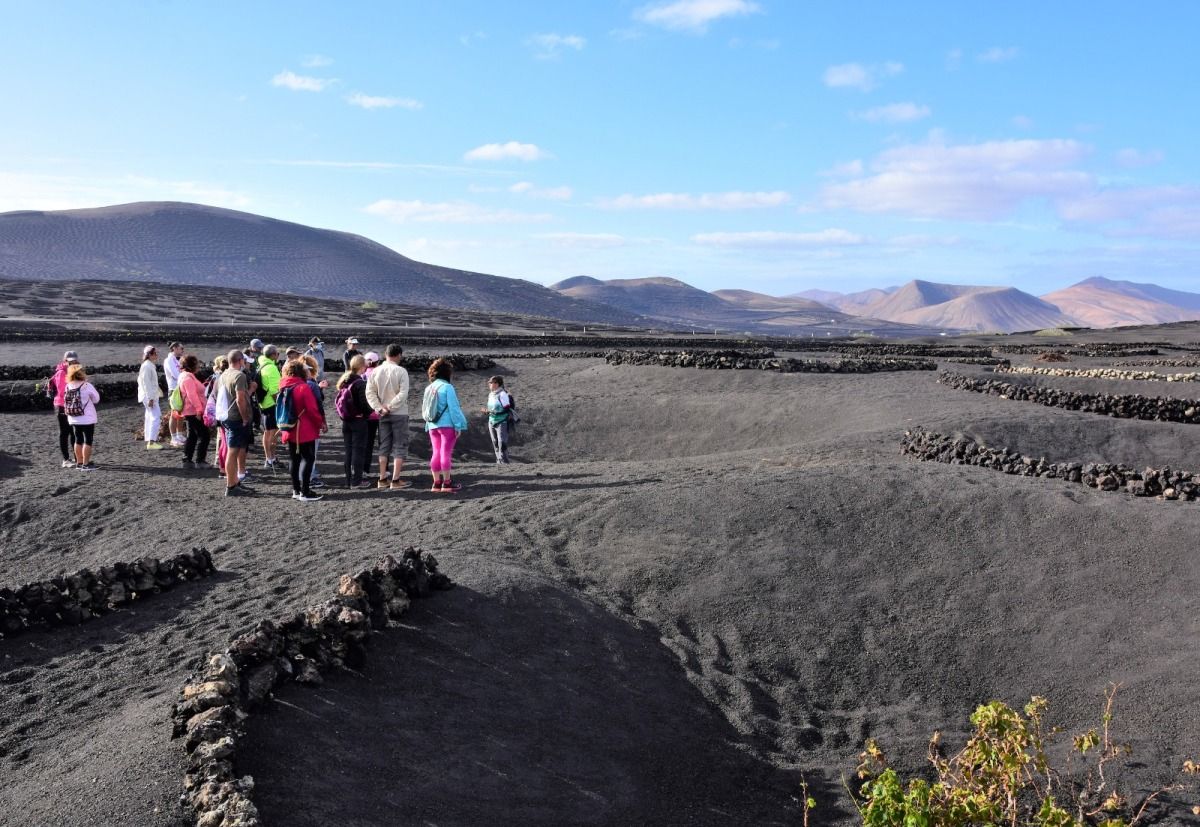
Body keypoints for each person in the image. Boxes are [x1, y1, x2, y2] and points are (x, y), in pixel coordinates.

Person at [365, 343, 411, 490]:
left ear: (385, 355)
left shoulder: (375, 371)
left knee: (384, 446)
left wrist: (379, 408)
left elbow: (369, 393)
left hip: (382, 414)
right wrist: (390, 407)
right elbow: (403, 394)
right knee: (399, 446)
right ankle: (395, 480)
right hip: (399, 413)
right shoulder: (401, 371)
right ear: (399, 355)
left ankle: (382, 478)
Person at [278, 360, 323, 502]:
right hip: (304, 429)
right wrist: (319, 423)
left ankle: (296, 490)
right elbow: (312, 410)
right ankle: (305, 491)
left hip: (290, 428)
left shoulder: (284, 386)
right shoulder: (303, 387)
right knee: (308, 459)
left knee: (294, 459)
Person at [423, 357, 468, 493]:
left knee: (436, 452)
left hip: (432, 425)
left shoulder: (428, 388)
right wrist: (458, 426)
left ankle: (436, 483)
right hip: (447, 425)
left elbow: (425, 409)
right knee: (445, 453)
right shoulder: (447, 387)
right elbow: (454, 409)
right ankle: (447, 483)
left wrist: (428, 424)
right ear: (447, 373)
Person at [218, 350, 254, 496]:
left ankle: (234, 482)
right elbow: (240, 399)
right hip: (235, 418)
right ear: (240, 361)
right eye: (244, 361)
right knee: (233, 451)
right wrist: (245, 417)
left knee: (235, 449)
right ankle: (231, 486)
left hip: (227, 416)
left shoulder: (224, 374)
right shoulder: (239, 376)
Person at [336, 355, 373, 489]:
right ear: (362, 366)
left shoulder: (344, 380)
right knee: (358, 450)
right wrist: (369, 412)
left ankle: (348, 480)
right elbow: (364, 404)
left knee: (348, 450)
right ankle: (357, 481)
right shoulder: (360, 383)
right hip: (358, 420)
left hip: (346, 421)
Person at [63, 363, 101, 471]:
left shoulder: (68, 386)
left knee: (77, 440)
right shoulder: (86, 385)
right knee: (87, 440)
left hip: (73, 417)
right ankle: (86, 464)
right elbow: (96, 399)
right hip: (87, 417)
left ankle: (79, 462)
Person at [177, 355, 211, 468]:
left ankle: (187, 459)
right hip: (193, 411)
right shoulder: (188, 378)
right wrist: (199, 410)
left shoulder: (186, 376)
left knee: (192, 435)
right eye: (197, 364)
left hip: (190, 411)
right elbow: (192, 395)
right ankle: (200, 461)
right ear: (192, 365)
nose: (199, 366)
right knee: (204, 435)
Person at [302, 354, 329, 488]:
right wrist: (323, 422)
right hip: (310, 423)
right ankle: (310, 478)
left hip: (298, 423)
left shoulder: (296, 383)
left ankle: (304, 476)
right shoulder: (311, 385)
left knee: (300, 453)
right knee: (311, 452)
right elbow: (317, 404)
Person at [48, 350, 78, 467]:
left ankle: (77, 458)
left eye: (75, 360)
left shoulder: (74, 370)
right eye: (71, 361)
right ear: (65, 360)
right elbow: (62, 391)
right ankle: (66, 460)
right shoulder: (61, 372)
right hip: (62, 405)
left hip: (72, 404)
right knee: (65, 432)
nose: (73, 362)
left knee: (74, 432)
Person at [257, 344, 282, 470]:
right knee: (272, 433)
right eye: (277, 354)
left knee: (268, 433)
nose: (278, 356)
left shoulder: (262, 364)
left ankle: (270, 458)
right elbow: (274, 391)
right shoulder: (271, 368)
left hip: (263, 404)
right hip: (271, 405)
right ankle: (270, 459)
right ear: (273, 355)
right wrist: (280, 406)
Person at [480, 375, 515, 465]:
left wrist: (493, 412)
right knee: (495, 443)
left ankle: (505, 462)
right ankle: (499, 462)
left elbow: (506, 409)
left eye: (491, 382)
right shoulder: (491, 394)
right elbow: (492, 408)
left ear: (497, 384)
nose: (489, 384)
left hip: (501, 422)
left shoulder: (502, 394)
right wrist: (487, 411)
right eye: (489, 382)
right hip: (491, 421)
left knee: (501, 444)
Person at [138, 345, 164, 450]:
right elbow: (146, 383)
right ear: (149, 355)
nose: (157, 355)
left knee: (149, 416)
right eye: (155, 353)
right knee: (156, 417)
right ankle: (152, 441)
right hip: (149, 396)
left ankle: (149, 439)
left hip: (150, 395)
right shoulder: (147, 366)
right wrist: (150, 398)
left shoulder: (148, 365)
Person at [362, 352, 381, 482]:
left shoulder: (362, 376)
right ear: (377, 362)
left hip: (367, 414)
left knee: (367, 443)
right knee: (384, 443)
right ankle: (385, 470)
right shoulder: (381, 374)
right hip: (381, 413)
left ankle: (365, 468)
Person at [163, 342, 186, 447]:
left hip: (181, 387)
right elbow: (175, 374)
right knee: (174, 413)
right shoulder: (168, 361)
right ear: (175, 348)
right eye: (181, 348)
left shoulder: (179, 360)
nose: (182, 351)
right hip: (174, 389)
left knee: (181, 413)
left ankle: (180, 434)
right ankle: (173, 437)